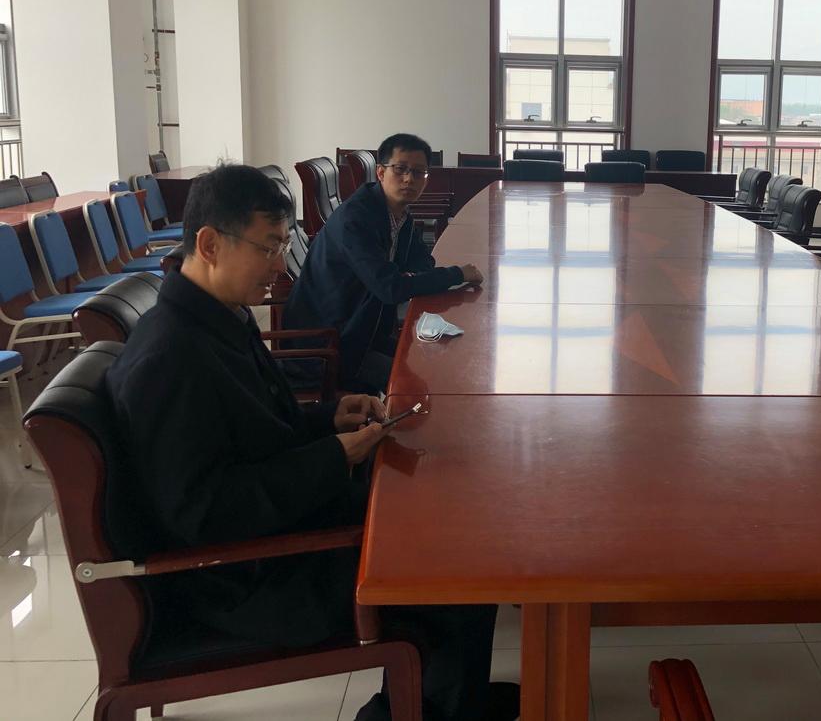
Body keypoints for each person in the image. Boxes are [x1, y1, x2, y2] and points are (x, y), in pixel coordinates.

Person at [105, 164, 516, 721]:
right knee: (454, 560)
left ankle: (443, 701)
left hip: (278, 529)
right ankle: (425, 710)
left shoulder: (213, 317)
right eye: (269, 248)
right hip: (247, 577)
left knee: (443, 511)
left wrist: (328, 420)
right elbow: (203, 514)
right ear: (209, 244)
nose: (281, 266)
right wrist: (332, 456)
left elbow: (253, 430)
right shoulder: (170, 359)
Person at [284, 134, 483, 393]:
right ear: (380, 172)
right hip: (328, 346)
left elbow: (422, 261)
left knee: (437, 361)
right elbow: (390, 289)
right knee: (417, 386)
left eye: (418, 172)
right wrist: (457, 274)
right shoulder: (356, 219)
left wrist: (406, 279)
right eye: (400, 169)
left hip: (367, 329)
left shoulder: (399, 215)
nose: (409, 179)